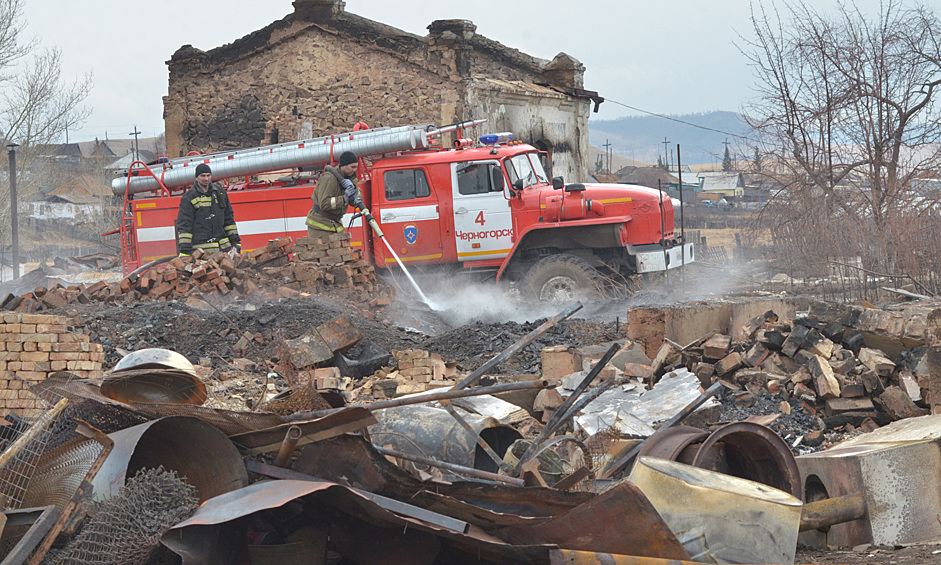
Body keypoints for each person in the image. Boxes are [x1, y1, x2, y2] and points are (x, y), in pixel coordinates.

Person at [176, 163, 241, 256]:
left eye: (208, 175)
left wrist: (236, 242)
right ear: (196, 177)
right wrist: (185, 252)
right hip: (202, 253)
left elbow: (229, 220)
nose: (206, 179)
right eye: (202, 176)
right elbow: (185, 225)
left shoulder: (220, 193)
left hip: (223, 250)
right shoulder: (189, 197)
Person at [306, 151, 361, 236]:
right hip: (319, 225)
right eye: (352, 167)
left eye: (356, 167)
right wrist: (343, 198)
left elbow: (355, 202)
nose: (354, 170)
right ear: (343, 165)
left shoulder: (351, 179)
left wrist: (354, 188)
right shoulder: (329, 178)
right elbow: (324, 204)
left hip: (334, 223)